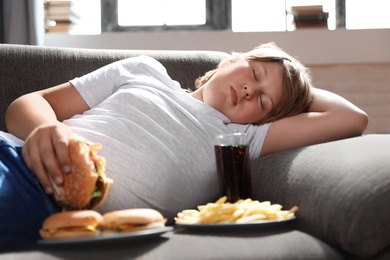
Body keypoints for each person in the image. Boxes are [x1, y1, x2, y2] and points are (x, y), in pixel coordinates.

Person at [0, 42, 368, 243]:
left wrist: (293, 84)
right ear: (232, 59)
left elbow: (352, 118)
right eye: (254, 73)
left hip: (49, 209)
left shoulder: (241, 138)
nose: (248, 89)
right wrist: (44, 129)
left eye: (262, 100)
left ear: (264, 120)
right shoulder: (144, 71)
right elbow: (28, 104)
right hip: (16, 158)